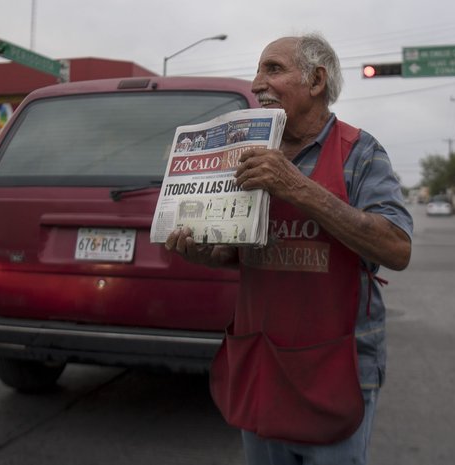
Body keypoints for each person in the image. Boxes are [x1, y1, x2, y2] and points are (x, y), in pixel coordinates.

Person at [165, 32, 413, 465]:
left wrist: (295, 186)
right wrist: (202, 251)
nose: (257, 82)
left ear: (317, 81)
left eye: (273, 69)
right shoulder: (245, 151)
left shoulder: (361, 152)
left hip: (337, 366)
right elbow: (234, 250)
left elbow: (396, 247)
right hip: (260, 360)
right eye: (258, 70)